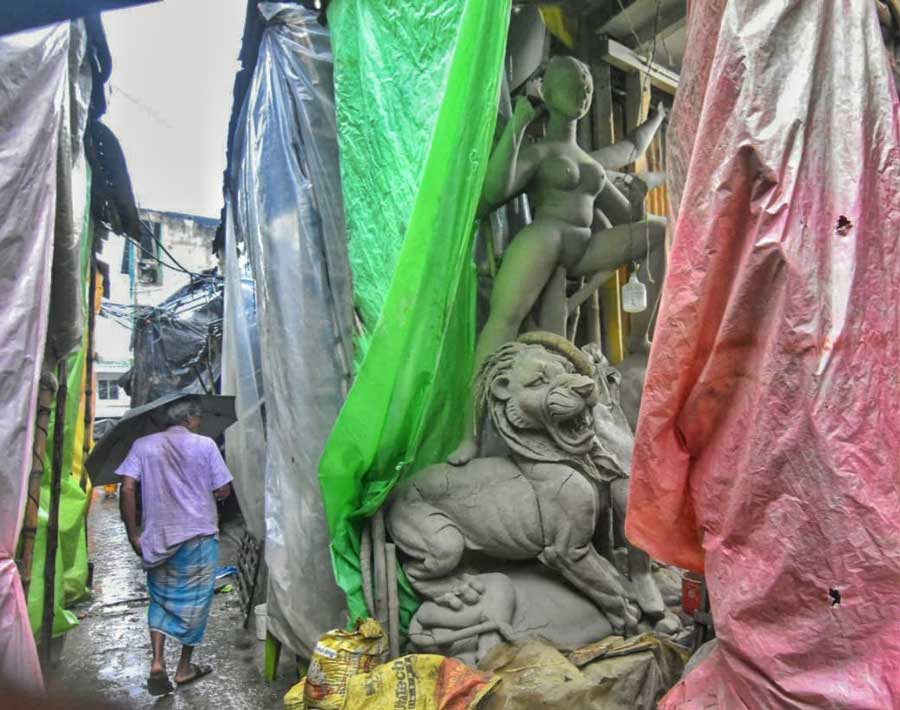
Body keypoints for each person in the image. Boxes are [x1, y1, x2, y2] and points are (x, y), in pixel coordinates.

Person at [449, 55, 667, 464]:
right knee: (503, 324)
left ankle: (639, 337)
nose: (585, 85)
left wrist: (636, 194)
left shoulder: (589, 163)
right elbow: (495, 191)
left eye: (587, 80)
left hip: (583, 246)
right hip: (545, 238)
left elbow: (624, 213)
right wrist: (518, 123)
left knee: (659, 230)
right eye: (575, 79)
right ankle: (469, 433)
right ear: (547, 92)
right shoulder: (539, 150)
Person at [116, 398, 233, 696]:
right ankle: (184, 667)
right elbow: (223, 489)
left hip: (158, 538)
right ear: (190, 419)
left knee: (160, 599)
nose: (200, 422)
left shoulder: (143, 445)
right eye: (199, 417)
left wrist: (133, 534)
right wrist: (212, 492)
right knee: (196, 602)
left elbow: (127, 487)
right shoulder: (206, 446)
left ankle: (157, 662)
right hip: (198, 537)